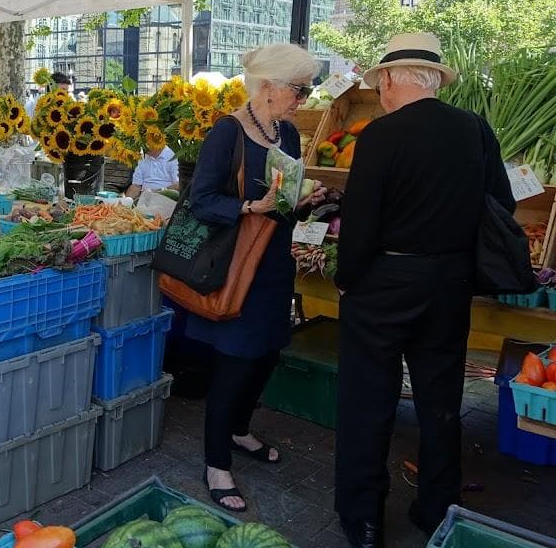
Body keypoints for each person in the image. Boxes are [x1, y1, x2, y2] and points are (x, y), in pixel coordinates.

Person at [333, 34, 515, 548]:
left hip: (385, 283)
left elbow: (361, 222)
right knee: (441, 398)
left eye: (380, 83)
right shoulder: (475, 129)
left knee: (368, 399)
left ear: (391, 80)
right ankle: (438, 506)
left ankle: (364, 519)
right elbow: (497, 204)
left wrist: (348, 279)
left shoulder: (380, 135)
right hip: (450, 282)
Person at [184, 44, 324, 513]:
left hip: (273, 265)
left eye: (306, 90)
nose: (303, 99)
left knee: (267, 354)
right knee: (234, 363)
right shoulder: (227, 133)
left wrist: (301, 200)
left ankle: (240, 430)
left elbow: (282, 199)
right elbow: (200, 200)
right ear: (268, 88)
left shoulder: (287, 134)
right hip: (234, 267)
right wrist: (247, 207)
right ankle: (215, 462)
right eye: (299, 89)